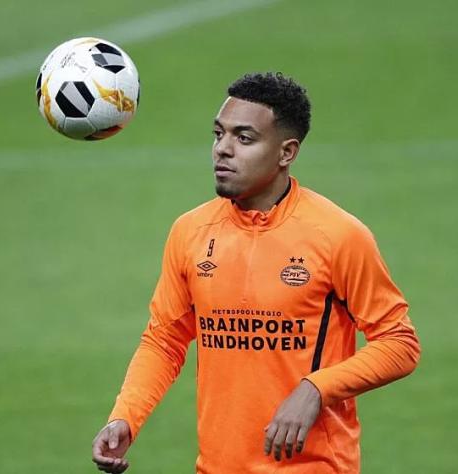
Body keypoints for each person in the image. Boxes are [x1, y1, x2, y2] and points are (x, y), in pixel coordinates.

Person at [91, 72, 420, 474]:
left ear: (286, 152)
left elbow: (400, 343)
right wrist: (126, 416)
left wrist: (316, 388)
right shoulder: (190, 232)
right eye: (219, 134)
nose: (222, 150)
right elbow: (165, 339)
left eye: (244, 138)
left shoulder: (338, 236)